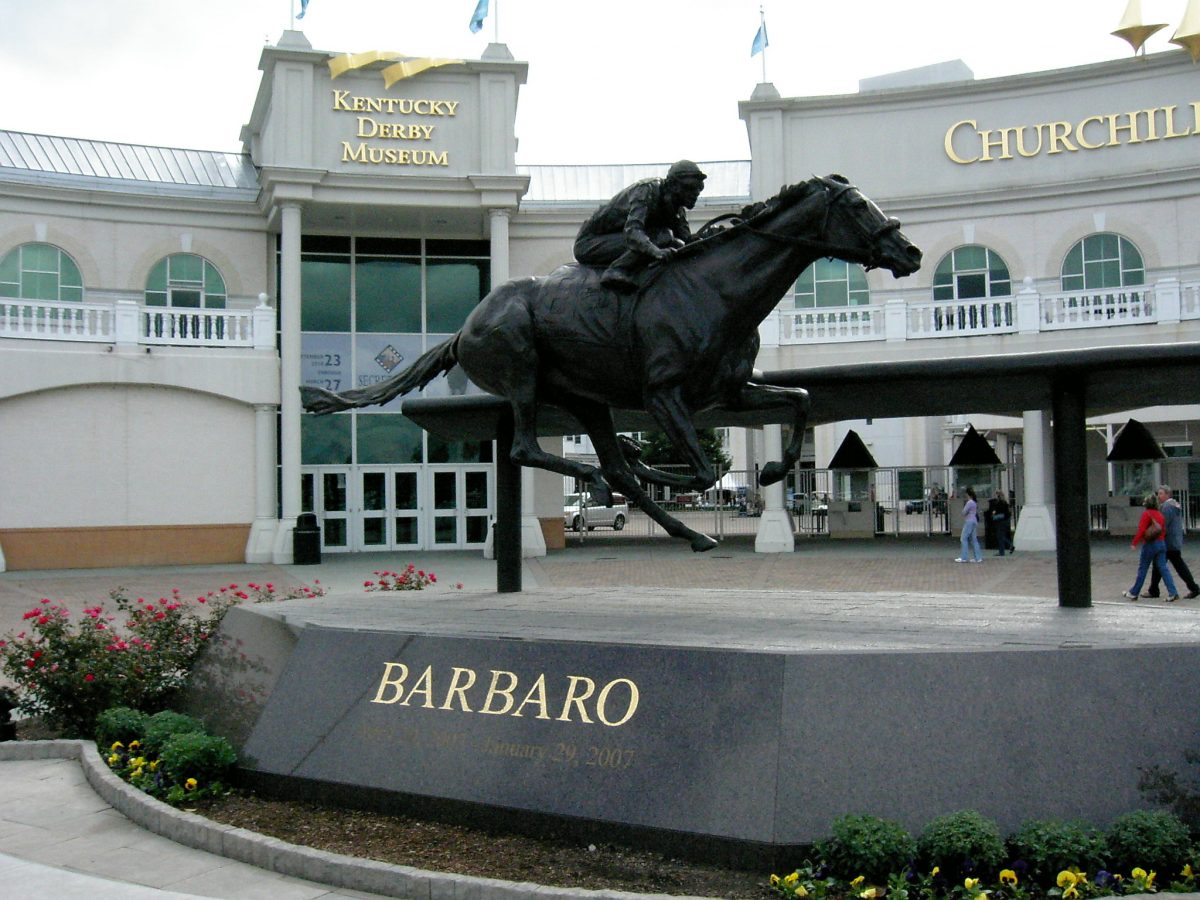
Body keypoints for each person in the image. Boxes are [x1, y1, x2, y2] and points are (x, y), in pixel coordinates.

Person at [573, 159, 707, 292]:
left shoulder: (677, 206)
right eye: (690, 187)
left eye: (699, 188)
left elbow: (686, 241)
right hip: (589, 244)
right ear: (673, 185)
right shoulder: (646, 190)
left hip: (620, 242)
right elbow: (632, 231)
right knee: (663, 236)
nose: (696, 193)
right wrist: (656, 251)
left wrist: (710, 237)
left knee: (677, 243)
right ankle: (617, 269)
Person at [1144, 484, 1200, 599]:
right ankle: (1193, 587)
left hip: (1168, 542)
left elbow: (1163, 525)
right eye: (1158, 493)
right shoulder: (1174, 506)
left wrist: (1155, 536)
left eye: (1161, 493)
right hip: (1173, 541)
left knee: (1161, 565)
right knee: (1172, 565)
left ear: (1167, 494)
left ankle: (1154, 590)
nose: (1158, 496)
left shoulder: (1167, 507)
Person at [1123, 492, 1180, 601]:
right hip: (1161, 544)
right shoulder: (1160, 514)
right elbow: (1163, 530)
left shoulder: (1147, 514)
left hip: (1150, 544)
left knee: (1143, 568)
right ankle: (1173, 592)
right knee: (1163, 568)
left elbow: (1142, 530)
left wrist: (1134, 543)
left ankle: (1134, 592)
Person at [955, 487, 983, 563]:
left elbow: (964, 512)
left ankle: (964, 557)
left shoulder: (969, 502)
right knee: (974, 539)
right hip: (974, 521)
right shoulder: (974, 502)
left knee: (963, 538)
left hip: (969, 521)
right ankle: (978, 557)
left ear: (967, 494)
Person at [989, 490, 1014, 557]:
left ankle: (1004, 550)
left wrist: (993, 513)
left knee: (1000, 536)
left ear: (998, 495)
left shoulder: (998, 503)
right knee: (1002, 535)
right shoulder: (1005, 502)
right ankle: (1006, 548)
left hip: (1000, 521)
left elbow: (995, 511)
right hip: (1005, 520)